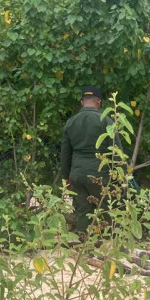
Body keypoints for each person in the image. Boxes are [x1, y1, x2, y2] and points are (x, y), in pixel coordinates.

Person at [61, 86, 113, 235]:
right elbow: (116, 150)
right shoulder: (106, 121)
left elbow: (65, 154)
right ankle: (110, 244)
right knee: (107, 209)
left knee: (82, 211)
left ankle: (86, 245)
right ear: (99, 102)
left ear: (82, 102)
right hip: (100, 174)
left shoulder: (71, 122)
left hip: (77, 174)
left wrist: (66, 177)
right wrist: (118, 176)